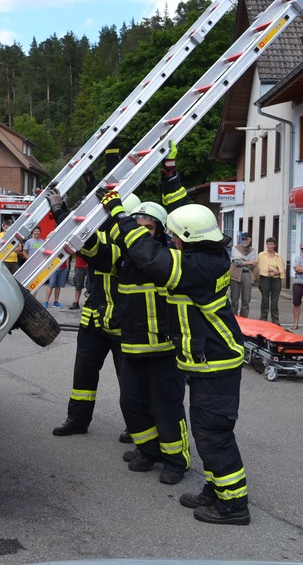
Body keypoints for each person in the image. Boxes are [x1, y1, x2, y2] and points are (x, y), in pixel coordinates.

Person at [102, 182, 250, 524]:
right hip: (206, 364)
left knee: (214, 433)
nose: (171, 240)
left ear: (187, 237)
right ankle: (216, 490)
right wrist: (171, 177)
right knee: (205, 431)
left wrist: (119, 215)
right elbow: (177, 225)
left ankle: (233, 506)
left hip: (216, 364)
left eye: (174, 236)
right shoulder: (205, 256)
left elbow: (149, 256)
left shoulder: (198, 267)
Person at [106, 198, 190, 486]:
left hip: (163, 348)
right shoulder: (125, 257)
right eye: (138, 227)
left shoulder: (166, 258)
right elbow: (95, 249)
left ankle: (176, 461)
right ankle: (148, 450)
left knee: (166, 408)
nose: (142, 233)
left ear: (161, 232)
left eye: (149, 228)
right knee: (131, 403)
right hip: (131, 344)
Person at [52, 193, 139, 443]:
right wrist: (64, 211)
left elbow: (92, 250)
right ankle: (78, 419)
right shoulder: (104, 232)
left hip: (123, 322)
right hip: (94, 319)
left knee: (130, 380)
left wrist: (59, 214)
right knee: (83, 376)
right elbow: (81, 234)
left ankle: (136, 426)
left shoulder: (131, 244)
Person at [257, 237, 286, 324]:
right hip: (265, 279)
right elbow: (260, 266)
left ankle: (275, 319)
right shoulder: (261, 255)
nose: (270, 246)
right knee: (265, 300)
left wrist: (276, 272)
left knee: (275, 301)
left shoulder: (278, 256)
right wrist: (272, 270)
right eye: (268, 244)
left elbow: (281, 268)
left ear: (275, 245)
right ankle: (263, 318)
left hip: (276, 280)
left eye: (272, 244)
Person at [228, 232, 257, 316]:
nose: (244, 241)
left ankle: (244, 318)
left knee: (246, 299)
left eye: (246, 239)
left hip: (247, 274)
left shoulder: (253, 250)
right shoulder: (235, 248)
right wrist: (249, 262)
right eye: (243, 239)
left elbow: (253, 263)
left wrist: (245, 261)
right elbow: (237, 262)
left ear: (250, 240)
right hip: (235, 275)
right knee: (234, 299)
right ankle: (234, 317)